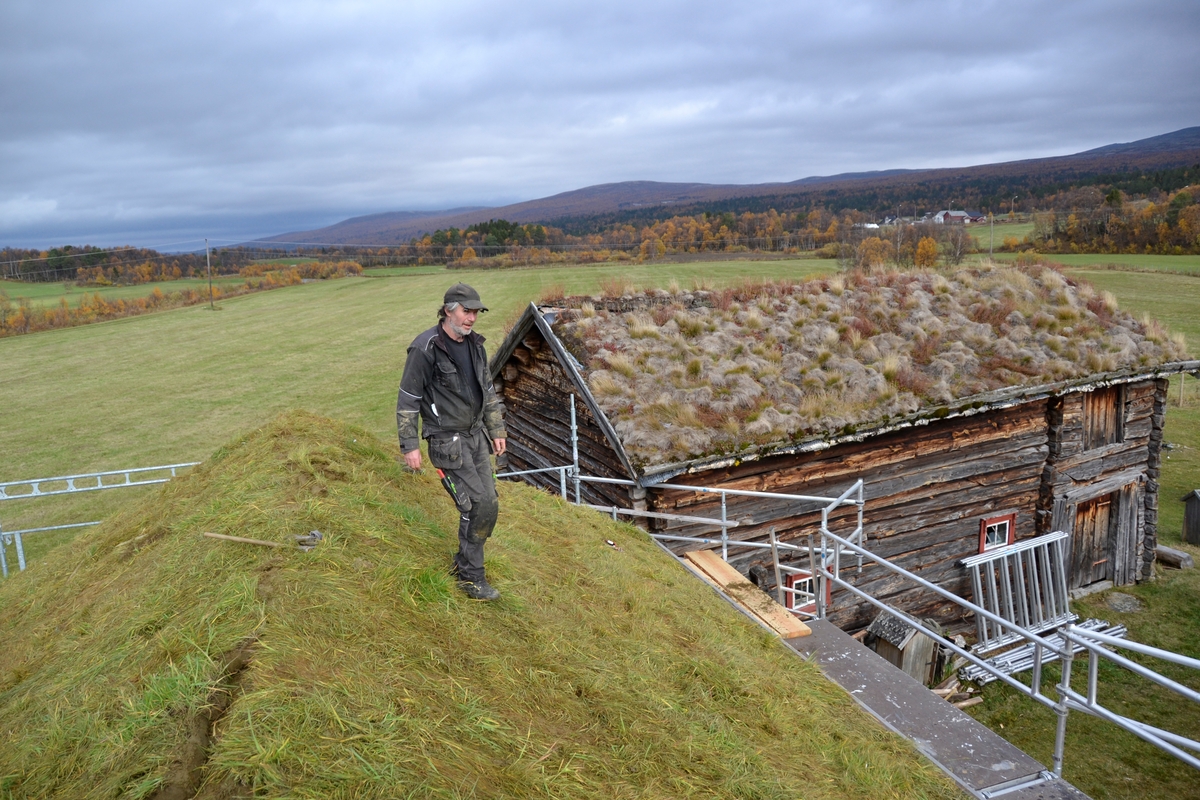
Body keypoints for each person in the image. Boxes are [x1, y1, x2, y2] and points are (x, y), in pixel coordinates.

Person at [397, 283, 508, 601]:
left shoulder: (476, 346)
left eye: (475, 312)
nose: (472, 318)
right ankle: (472, 578)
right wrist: (410, 445)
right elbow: (408, 399)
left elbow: (487, 390)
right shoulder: (425, 348)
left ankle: (465, 564)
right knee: (476, 506)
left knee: (490, 505)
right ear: (448, 309)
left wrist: (496, 430)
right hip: (447, 442)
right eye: (466, 310)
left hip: (476, 438)